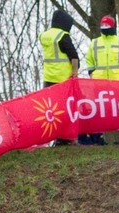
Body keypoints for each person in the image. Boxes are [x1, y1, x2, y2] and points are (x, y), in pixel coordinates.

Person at [84, 15, 119, 145]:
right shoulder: (95, 42)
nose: (104, 27)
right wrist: (91, 72)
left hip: (117, 79)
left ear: (112, 26)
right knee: (100, 109)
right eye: (102, 25)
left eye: (106, 25)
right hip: (99, 80)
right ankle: (99, 138)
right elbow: (89, 59)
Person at [40, 9, 80, 146]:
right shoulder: (62, 36)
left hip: (48, 78)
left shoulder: (44, 36)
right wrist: (75, 72)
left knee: (52, 111)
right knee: (65, 110)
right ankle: (64, 138)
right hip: (63, 79)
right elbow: (74, 56)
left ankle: (56, 137)